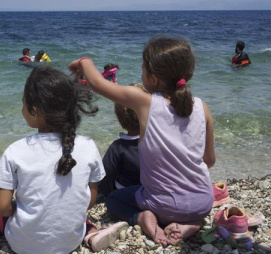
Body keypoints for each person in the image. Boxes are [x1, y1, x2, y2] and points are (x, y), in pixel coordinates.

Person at [0, 66, 127, 254]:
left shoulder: (16, 150)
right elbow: (89, 202)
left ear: (35, 111)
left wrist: (20, 207)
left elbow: (1, 207)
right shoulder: (88, 146)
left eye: (23, 104)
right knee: (68, 208)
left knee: (3, 217)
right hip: (70, 242)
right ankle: (92, 234)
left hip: (23, 246)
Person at [69, 35, 216, 247]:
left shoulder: (145, 102)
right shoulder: (202, 107)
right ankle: (192, 223)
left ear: (153, 79)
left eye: (143, 69)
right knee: (187, 209)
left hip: (163, 204)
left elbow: (98, 83)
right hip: (203, 202)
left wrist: (83, 62)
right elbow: (208, 160)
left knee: (115, 200)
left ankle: (143, 218)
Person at [98, 83, 144, 198]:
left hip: (126, 194)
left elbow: (105, 176)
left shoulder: (118, 147)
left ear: (119, 119)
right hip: (154, 192)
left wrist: (109, 194)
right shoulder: (159, 141)